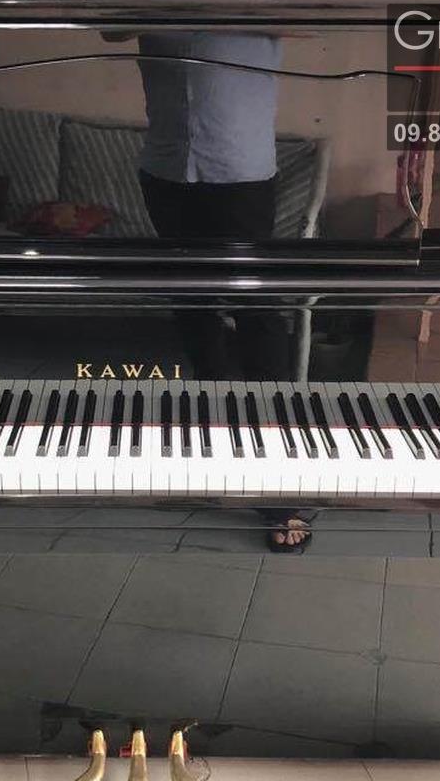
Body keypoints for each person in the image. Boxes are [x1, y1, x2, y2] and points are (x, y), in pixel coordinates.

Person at [131, 31, 311, 551]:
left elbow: (314, 17)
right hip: (166, 168)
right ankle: (209, 452)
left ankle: (279, 492)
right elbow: (111, 26)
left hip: (239, 168)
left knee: (258, 314)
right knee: (192, 309)